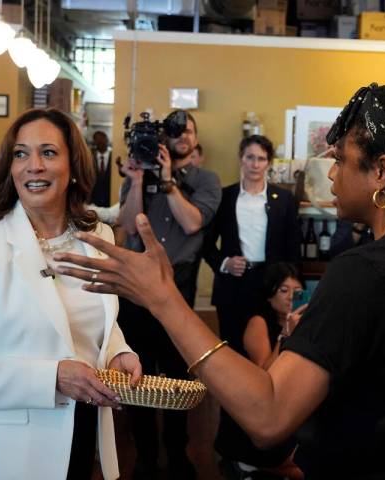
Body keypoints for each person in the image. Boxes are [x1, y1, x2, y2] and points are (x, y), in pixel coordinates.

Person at [55, 42, 385, 479]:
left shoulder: (364, 273)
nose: (332, 171)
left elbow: (267, 416)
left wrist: (163, 299)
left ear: (382, 172)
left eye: (341, 159)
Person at [0, 108, 141, 480]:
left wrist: (118, 350)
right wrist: (51, 378)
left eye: (49, 153)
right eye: (21, 154)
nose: (33, 165)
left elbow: (95, 318)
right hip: (8, 457)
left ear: (73, 166)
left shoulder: (98, 239)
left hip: (84, 436)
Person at [116, 110, 221, 479]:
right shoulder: (137, 174)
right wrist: (138, 181)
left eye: (187, 130)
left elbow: (193, 222)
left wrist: (168, 181)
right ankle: (145, 455)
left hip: (179, 288)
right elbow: (128, 225)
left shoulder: (206, 179)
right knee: (138, 376)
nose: (181, 136)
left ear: (194, 137)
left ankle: (178, 454)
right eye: (173, 131)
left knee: (177, 375)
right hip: (137, 289)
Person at [203, 135, 301, 352]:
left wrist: (289, 285)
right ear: (241, 159)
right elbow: (205, 244)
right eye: (250, 157)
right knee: (231, 347)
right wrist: (224, 263)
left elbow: (293, 246)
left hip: (271, 284)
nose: (255, 164)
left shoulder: (284, 199)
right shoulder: (224, 197)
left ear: (269, 162)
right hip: (233, 284)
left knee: (272, 345)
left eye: (261, 158)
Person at [215, 263, 306, 480]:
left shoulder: (305, 323)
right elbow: (265, 373)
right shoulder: (259, 322)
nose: (291, 296)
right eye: (283, 290)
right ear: (269, 295)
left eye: (297, 291)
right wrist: (285, 335)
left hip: (288, 405)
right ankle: (247, 464)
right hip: (258, 408)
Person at [90, 130, 112, 207]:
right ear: (94, 142)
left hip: (111, 200)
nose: (100, 141)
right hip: (93, 201)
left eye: (102, 139)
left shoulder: (114, 157)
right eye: (97, 139)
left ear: (107, 140)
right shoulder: (89, 157)